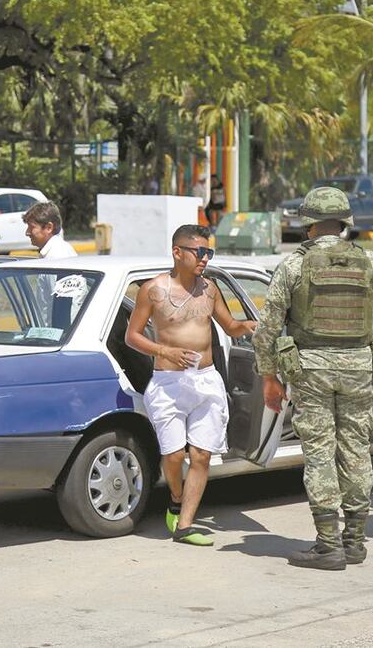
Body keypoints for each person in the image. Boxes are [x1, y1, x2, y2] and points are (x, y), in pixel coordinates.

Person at [253, 187, 373, 570]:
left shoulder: (294, 266)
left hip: (311, 371)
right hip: (360, 369)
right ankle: (355, 541)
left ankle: (329, 544)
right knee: (355, 451)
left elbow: (267, 330)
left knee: (319, 454)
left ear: (308, 224)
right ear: (345, 223)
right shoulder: (366, 262)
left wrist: (269, 377)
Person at [125, 224, 258, 546]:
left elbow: (229, 326)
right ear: (177, 252)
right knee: (173, 455)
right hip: (168, 383)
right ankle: (175, 495)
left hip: (206, 381)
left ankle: (185, 524)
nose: (205, 259)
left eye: (209, 252)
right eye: (199, 252)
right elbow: (133, 336)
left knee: (200, 456)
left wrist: (250, 326)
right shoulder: (153, 290)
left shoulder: (210, 289)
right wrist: (164, 350)